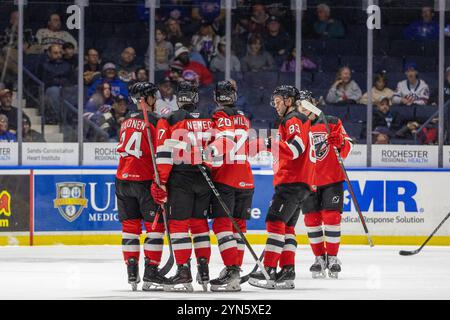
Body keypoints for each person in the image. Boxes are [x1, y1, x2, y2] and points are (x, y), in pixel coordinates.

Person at [249, 85, 315, 290]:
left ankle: (269, 269)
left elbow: (295, 149)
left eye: (278, 101)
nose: (275, 105)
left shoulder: (293, 119)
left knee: (275, 222)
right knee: (286, 228)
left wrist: (267, 144)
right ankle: (287, 271)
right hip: (300, 183)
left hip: (292, 182)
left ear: (288, 100)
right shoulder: (296, 120)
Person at [152, 81, 213, 292]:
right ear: (195, 98)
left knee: (179, 226)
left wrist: (161, 182)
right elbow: (218, 150)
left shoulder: (169, 118)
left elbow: (163, 153)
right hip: (204, 177)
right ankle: (204, 271)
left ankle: (183, 272)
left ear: (179, 98)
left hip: (180, 179)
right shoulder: (208, 118)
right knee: (199, 225)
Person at [115, 82, 168, 291]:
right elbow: (162, 153)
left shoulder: (126, 120)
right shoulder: (155, 121)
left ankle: (131, 272)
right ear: (147, 98)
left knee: (130, 228)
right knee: (155, 228)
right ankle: (152, 272)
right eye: (153, 96)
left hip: (122, 179)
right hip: (145, 181)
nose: (156, 99)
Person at [297, 90, 353, 279]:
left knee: (331, 218)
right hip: (307, 181)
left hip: (332, 179)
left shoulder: (332, 122)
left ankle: (333, 257)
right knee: (311, 220)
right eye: (300, 106)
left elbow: (348, 147)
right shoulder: (295, 126)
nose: (304, 109)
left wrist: (341, 143)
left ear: (314, 104)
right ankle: (319, 258)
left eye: (307, 105)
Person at [207, 81, 254, 292]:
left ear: (217, 97)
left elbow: (224, 141)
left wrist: (208, 153)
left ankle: (232, 269)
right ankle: (234, 270)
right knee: (239, 227)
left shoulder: (218, 116)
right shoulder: (244, 119)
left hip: (226, 177)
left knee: (222, 225)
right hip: (246, 178)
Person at [36, 44, 74, 124]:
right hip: (49, 90)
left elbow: (71, 80)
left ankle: (70, 118)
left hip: (65, 89)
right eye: (55, 53)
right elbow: (43, 81)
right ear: (49, 54)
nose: (59, 55)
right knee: (54, 90)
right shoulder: (44, 65)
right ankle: (57, 118)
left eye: (60, 53)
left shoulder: (67, 65)